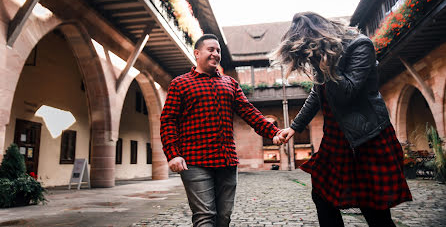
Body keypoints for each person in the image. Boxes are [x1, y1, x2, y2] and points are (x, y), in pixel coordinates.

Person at [274, 12, 412, 227]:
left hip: (367, 138)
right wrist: (294, 127)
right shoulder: (321, 57)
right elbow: (317, 93)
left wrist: (325, 61)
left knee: (373, 209)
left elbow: (347, 92)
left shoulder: (360, 45)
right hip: (336, 140)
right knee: (321, 196)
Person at [160, 34, 283, 227]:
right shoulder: (180, 84)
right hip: (194, 161)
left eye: (218, 51)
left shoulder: (230, 84)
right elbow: (168, 121)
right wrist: (173, 154)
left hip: (226, 161)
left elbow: (248, 111)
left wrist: (273, 131)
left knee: (224, 217)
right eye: (211, 49)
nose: (216, 54)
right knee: (205, 216)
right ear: (197, 53)